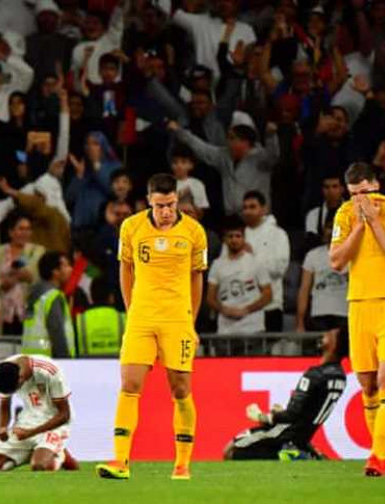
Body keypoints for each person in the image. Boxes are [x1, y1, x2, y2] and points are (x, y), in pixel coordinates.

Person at [96, 173, 207, 481]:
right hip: (141, 319)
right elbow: (126, 270)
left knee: (180, 388)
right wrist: (133, 311)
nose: (166, 211)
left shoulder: (194, 232)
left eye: (170, 204)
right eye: (160, 206)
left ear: (177, 200)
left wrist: (191, 322)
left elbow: (197, 277)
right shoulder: (131, 227)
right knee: (129, 384)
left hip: (177, 319)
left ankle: (182, 464)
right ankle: (120, 461)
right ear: (148, 201)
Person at [329, 162, 385, 477]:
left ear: (376, 185)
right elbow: (336, 261)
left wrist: (375, 221)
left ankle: (375, 456)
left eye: (364, 192)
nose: (360, 200)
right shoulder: (344, 215)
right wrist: (359, 226)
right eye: (354, 194)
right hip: (360, 305)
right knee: (367, 386)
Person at [224, 326, 349, 460]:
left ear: (334, 345)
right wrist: (280, 412)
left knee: (230, 451)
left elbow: (292, 414)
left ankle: (294, 454)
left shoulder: (315, 375)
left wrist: (263, 417)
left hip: (285, 432)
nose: (325, 334)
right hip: (303, 435)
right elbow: (310, 410)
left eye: (330, 334)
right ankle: (302, 451)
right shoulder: (340, 376)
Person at [0, 355, 78, 471]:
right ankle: (41, 451)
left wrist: (30, 433)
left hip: (54, 422)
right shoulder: (4, 372)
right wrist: (3, 427)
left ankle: (60, 455)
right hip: (29, 420)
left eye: (16, 389)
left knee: (40, 467)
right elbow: (4, 405)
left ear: (21, 378)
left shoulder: (48, 371)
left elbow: (64, 415)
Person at [206, 216, 272, 343]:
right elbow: (210, 297)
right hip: (226, 331)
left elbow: (268, 295)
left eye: (238, 236)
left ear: (244, 238)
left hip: (253, 328)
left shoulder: (256, 262)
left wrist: (246, 310)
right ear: (225, 239)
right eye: (230, 236)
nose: (234, 240)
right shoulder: (217, 265)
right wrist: (224, 309)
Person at [0, 214, 46, 335]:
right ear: (11, 232)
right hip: (2, 313)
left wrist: (30, 278)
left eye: (28, 229)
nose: (25, 233)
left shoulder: (38, 251)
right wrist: (2, 283)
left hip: (27, 311)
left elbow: (45, 282)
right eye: (21, 229)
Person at [241, 191, 290, 332]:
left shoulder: (278, 234)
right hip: (242, 305)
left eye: (252, 207)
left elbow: (280, 269)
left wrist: (252, 256)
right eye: (245, 208)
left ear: (264, 209)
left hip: (271, 305)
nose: (248, 211)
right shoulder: (238, 235)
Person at [296, 222, 348, 333]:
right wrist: (300, 322)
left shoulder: (353, 254)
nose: (332, 232)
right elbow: (304, 289)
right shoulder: (313, 255)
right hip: (319, 314)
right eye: (329, 228)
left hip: (344, 313)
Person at [22, 251, 75, 358]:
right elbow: (57, 331)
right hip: (49, 359)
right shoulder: (53, 296)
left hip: (31, 358)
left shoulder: (34, 294)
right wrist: (65, 359)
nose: (71, 269)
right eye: (66, 266)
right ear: (55, 272)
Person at [75, 276, 124, 357]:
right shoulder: (123, 319)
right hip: (118, 364)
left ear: (91, 297)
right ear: (111, 297)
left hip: (86, 364)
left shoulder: (80, 320)